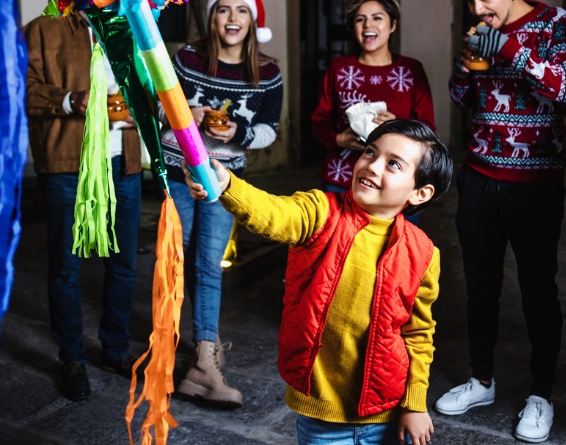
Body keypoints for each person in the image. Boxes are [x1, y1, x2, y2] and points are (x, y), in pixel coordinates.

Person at [185, 119, 453, 445]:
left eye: (393, 163)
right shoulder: (320, 211)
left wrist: (415, 403)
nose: (371, 165)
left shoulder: (424, 253)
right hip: (322, 417)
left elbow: (418, 335)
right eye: (370, 152)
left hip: (388, 413)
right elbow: (273, 212)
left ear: (420, 193)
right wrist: (229, 185)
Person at [437, 0, 566, 443]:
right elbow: (460, 99)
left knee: (538, 289)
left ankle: (541, 393)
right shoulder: (478, 32)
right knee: (479, 286)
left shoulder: (557, 23)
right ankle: (481, 379)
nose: (478, 9)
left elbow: (563, 88)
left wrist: (508, 49)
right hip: (479, 178)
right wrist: (463, 65)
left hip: (535, 184)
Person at [160, 0, 283, 408]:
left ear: (252, 22)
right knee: (178, 262)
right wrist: (185, 113)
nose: (232, 19)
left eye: (241, 12)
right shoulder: (187, 59)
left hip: (223, 181)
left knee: (208, 264)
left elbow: (270, 129)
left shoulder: (267, 72)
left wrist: (238, 132)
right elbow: (157, 103)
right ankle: (171, 349)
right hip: (177, 172)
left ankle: (205, 360)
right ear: (211, 18)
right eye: (223, 11)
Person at [26, 14, 143, 401]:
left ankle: (116, 350)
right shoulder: (42, 30)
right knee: (65, 266)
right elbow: (20, 90)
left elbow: (150, 87)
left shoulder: (130, 26)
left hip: (121, 162)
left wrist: (139, 112)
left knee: (124, 264)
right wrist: (68, 99)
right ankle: (72, 358)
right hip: (67, 163)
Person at [311, 0, 434, 196]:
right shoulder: (339, 68)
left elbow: (428, 128)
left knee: (399, 230)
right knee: (337, 230)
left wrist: (399, 127)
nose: (368, 25)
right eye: (360, 20)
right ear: (353, 28)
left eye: (377, 18)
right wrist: (339, 139)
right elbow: (318, 121)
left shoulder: (411, 70)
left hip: (396, 183)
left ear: (393, 25)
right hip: (342, 179)